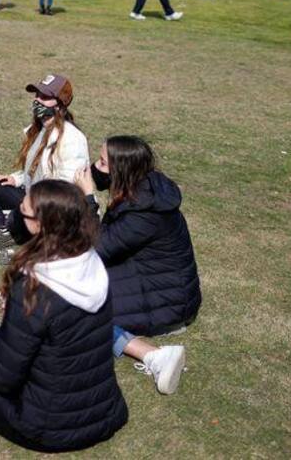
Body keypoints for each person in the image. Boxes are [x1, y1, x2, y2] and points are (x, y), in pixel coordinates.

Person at [0, 180, 128, 452]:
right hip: (108, 412)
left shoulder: (34, 290)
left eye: (22, 211)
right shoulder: (91, 262)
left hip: (48, 427)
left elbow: (3, 378)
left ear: (40, 226)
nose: (14, 217)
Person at [74, 136, 198, 394]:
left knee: (76, 309)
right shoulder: (140, 191)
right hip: (151, 279)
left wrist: (88, 196)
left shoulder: (144, 212)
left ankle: (154, 356)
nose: (95, 167)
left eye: (103, 163)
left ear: (122, 171)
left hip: (169, 300)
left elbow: (97, 249)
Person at [0, 74, 89, 252]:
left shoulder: (73, 139)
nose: (37, 101)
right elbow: (36, 168)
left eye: (45, 97)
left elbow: (68, 190)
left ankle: (13, 227)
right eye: (37, 95)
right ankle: (5, 228)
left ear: (60, 103)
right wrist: (15, 179)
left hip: (48, 207)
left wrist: (34, 207)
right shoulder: (39, 128)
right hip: (30, 196)